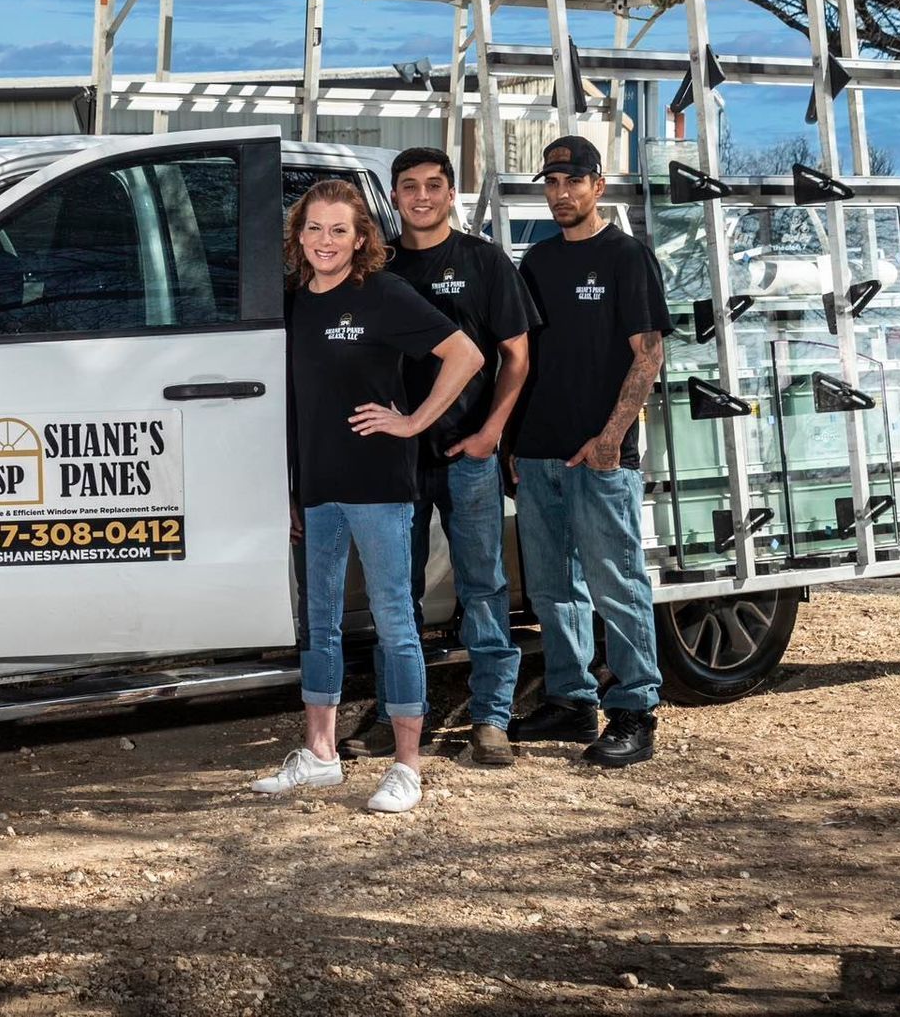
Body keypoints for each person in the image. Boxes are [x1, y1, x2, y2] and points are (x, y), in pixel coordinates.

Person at [252, 179, 481, 814]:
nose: (325, 241)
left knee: (395, 625)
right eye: (314, 229)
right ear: (298, 235)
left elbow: (465, 355)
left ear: (361, 238)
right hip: (319, 489)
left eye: (338, 230)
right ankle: (321, 755)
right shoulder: (294, 303)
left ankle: (407, 767)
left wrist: (411, 421)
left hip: (379, 487)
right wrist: (295, 486)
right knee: (318, 624)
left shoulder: (382, 295)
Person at [340, 148, 538, 768]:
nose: (421, 196)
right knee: (396, 592)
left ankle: (490, 717)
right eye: (409, 186)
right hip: (395, 460)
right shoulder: (374, 265)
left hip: (466, 452)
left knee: (483, 586)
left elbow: (517, 356)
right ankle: (401, 716)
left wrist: (491, 433)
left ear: (451, 193)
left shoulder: (482, 261)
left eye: (433, 185)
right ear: (393, 197)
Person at [506, 136, 672, 768]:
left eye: (573, 181)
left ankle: (634, 710)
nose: (561, 193)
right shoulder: (538, 262)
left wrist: (610, 439)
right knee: (552, 589)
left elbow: (648, 353)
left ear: (598, 186)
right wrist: (516, 440)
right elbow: (521, 359)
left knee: (616, 581)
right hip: (540, 452)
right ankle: (572, 701)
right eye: (551, 182)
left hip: (600, 457)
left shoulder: (627, 257)